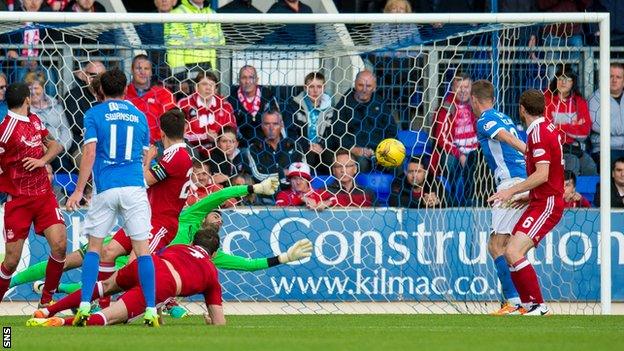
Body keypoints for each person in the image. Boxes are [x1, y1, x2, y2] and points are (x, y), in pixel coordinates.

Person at [65, 68, 158, 326]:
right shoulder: (139, 116)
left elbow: (90, 153)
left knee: (94, 248)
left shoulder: (94, 114)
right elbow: (145, 153)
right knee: (142, 251)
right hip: (134, 187)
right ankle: (150, 310)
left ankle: (84, 305)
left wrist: (78, 190)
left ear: (102, 90)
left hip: (106, 188)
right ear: (126, 88)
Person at [28, 228, 226, 327]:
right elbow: (220, 322)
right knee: (111, 316)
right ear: (214, 254)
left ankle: (48, 311)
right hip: (164, 283)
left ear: (192, 242)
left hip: (147, 266)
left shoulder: (179, 247)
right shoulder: (211, 272)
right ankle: (62, 322)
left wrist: (156, 313)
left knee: (104, 285)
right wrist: (212, 323)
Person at [94, 109, 193, 297]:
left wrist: (147, 160)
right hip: (143, 217)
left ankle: (146, 304)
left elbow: (142, 182)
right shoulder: (175, 156)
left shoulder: (175, 157)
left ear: (161, 132)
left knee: (134, 265)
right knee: (108, 252)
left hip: (160, 222)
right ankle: (102, 304)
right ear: (184, 129)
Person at [489, 89, 565, 316]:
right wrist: (525, 196)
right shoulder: (544, 129)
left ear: (522, 109)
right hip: (539, 200)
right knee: (512, 250)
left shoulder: (539, 133)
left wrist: (510, 191)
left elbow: (542, 175)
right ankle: (529, 305)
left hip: (547, 203)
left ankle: (538, 306)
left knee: (512, 250)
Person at [0, 82, 67, 308]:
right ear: (27, 99)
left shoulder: (35, 121)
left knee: (59, 245)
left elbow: (56, 146)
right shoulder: (5, 130)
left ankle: (46, 303)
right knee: (11, 261)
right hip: (18, 200)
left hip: (44, 196)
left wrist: (42, 160)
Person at [472, 79, 527, 315]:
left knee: (497, 245)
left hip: (511, 184)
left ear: (474, 100)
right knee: (512, 248)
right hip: (521, 180)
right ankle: (523, 300)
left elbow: (504, 137)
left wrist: (528, 150)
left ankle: (514, 302)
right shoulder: (504, 116)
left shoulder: (485, 119)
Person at [326, 70, 398, 172]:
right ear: (355, 85)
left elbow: (391, 130)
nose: (364, 90)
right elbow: (337, 133)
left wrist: (385, 150)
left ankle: (396, 188)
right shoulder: (344, 104)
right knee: (361, 164)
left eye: (368, 86)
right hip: (354, 152)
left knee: (397, 162)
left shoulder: (380, 104)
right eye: (360, 85)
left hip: (379, 152)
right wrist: (353, 149)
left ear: (374, 87)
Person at [431, 72, 479, 205]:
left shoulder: (476, 106)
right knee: (450, 162)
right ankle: (452, 200)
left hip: (475, 150)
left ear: (471, 89)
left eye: (466, 87)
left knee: (482, 162)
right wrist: (460, 154)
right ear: (453, 88)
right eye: (459, 87)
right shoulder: (446, 108)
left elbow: (483, 133)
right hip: (453, 151)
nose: (463, 91)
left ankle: (475, 199)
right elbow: (441, 139)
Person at [544, 65, 596, 176]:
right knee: (572, 163)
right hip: (552, 148)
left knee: (590, 166)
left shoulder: (579, 102)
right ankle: (567, 193)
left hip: (574, 147)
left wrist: (560, 126)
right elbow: (545, 129)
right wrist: (573, 125)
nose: (563, 82)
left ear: (573, 82)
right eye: (561, 79)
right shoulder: (546, 99)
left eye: (568, 79)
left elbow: (584, 132)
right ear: (555, 80)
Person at [178, 71, 236, 160]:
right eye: (204, 84)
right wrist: (205, 136)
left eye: (212, 85)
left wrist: (218, 138)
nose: (208, 88)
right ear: (196, 87)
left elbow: (232, 133)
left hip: (219, 151)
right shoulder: (184, 104)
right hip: (192, 151)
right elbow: (178, 134)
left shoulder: (225, 106)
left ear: (216, 89)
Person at [283, 71, 334, 172]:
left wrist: (322, 146)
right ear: (305, 88)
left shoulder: (330, 109)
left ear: (324, 88)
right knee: (307, 157)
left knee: (330, 159)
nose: (315, 91)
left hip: (322, 148)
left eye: (319, 87)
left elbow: (333, 134)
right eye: (311, 87)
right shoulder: (294, 106)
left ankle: (331, 186)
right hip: (301, 147)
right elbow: (290, 132)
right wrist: (307, 146)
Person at [25, 71, 73, 171]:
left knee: (64, 166)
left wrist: (61, 146)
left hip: (59, 150)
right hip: (38, 151)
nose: (33, 92)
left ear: (43, 88)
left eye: (36, 88)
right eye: (30, 89)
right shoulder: (25, 109)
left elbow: (66, 129)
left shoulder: (56, 106)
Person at [125, 54, 176, 144]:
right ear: (132, 71)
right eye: (138, 68)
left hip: (157, 146)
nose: (142, 72)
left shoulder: (164, 94)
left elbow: (169, 124)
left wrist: (154, 143)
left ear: (151, 72)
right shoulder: (124, 93)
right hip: (128, 145)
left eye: (146, 69)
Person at [245, 109, 304, 188]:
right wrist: (282, 173)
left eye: (275, 124)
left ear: (282, 124)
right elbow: (257, 176)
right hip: (266, 197)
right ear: (262, 125)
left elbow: (304, 172)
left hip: (292, 194)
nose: (271, 128)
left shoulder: (294, 146)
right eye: (267, 124)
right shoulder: (254, 148)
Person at [164, 0, 225, 73]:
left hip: (213, 71)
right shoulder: (176, 14)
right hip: (189, 71)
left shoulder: (212, 13)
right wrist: (180, 76)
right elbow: (173, 49)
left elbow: (221, 45)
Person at [64, 60, 106, 157]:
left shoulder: (110, 95)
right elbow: (77, 124)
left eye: (101, 75)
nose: (97, 79)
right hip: (82, 144)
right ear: (83, 75)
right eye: (93, 75)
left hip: (107, 142)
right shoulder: (73, 95)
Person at [227, 65, 278, 146]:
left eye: (251, 77)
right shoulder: (231, 99)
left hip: (266, 145)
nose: (247, 81)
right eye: (244, 77)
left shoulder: (267, 95)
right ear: (239, 80)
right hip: (241, 146)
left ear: (257, 80)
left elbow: (277, 121)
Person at [589, 63, 624, 168]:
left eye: (618, 77)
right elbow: (596, 125)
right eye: (611, 76)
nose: (614, 80)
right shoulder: (595, 98)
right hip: (604, 148)